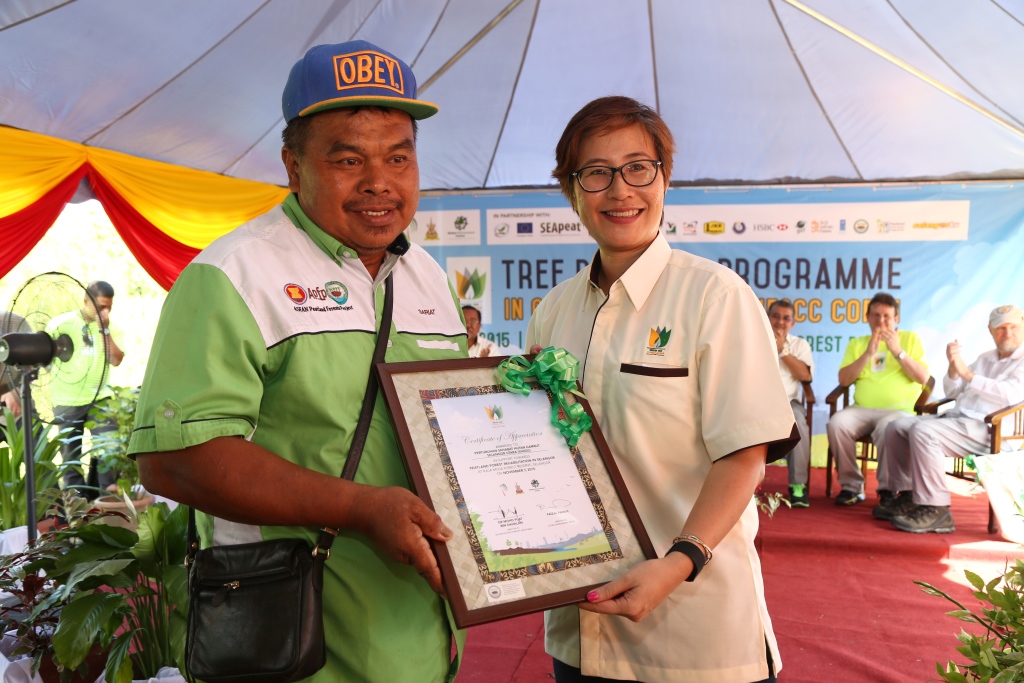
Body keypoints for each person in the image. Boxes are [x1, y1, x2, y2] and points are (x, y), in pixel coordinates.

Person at [128, 41, 468, 682]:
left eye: (399, 158)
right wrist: (360, 508)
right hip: (291, 641)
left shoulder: (426, 276)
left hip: (420, 633)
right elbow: (173, 459)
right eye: (348, 159)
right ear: (292, 164)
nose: (379, 183)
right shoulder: (233, 274)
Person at [526, 96, 797, 683]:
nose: (620, 190)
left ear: (664, 178)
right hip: (581, 624)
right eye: (595, 173)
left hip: (693, 632)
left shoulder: (715, 297)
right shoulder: (552, 311)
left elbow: (745, 454)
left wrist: (678, 563)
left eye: (637, 168)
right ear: (572, 192)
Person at [877, 305, 1024, 533]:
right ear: (991, 330)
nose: (1007, 333)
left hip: (992, 430)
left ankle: (937, 509)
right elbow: (953, 391)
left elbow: (1012, 394)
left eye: (1013, 327)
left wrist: (967, 374)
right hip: (960, 421)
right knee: (896, 426)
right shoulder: (985, 358)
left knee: (924, 432)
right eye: (1001, 328)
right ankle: (909, 495)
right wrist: (954, 368)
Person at [826, 292, 929, 506]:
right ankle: (851, 486)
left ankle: (888, 490)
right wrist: (867, 353)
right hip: (861, 409)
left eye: (886, 316)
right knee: (837, 423)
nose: (880, 321)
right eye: (875, 315)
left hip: (897, 411)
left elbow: (923, 378)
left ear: (896, 319)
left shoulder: (910, 339)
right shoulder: (858, 343)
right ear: (867, 317)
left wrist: (898, 351)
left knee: (887, 427)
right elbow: (844, 380)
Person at [47, 281, 125, 494]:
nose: (105, 311)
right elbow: (45, 358)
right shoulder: (61, 324)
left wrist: (104, 329)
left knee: (109, 446)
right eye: (100, 306)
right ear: (86, 301)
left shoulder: (111, 327)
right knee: (70, 457)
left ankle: (106, 504)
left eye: (109, 306)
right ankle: (78, 510)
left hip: (100, 397)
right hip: (67, 400)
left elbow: (116, 360)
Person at [768, 299, 814, 507]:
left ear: (792, 323)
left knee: (800, 424)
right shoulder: (753, 339)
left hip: (788, 403)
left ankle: (798, 485)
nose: (780, 322)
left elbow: (805, 375)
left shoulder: (799, 345)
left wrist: (782, 350)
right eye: (775, 316)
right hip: (755, 401)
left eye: (786, 318)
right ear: (768, 318)